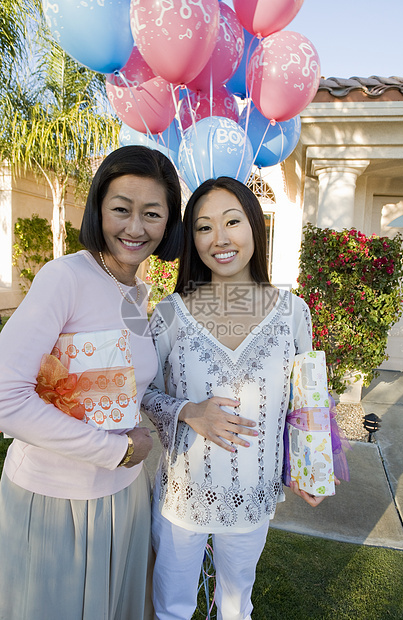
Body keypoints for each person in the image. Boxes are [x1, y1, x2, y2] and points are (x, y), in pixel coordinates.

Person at [0, 145, 183, 620]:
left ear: (169, 223)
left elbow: (124, 391)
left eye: (152, 214)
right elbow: (6, 398)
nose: (135, 227)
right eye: (121, 209)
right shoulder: (66, 277)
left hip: (123, 497)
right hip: (57, 503)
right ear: (99, 207)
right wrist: (115, 451)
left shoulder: (137, 292)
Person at [142, 176, 330, 620]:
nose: (220, 239)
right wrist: (188, 411)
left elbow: (308, 397)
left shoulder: (292, 312)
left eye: (233, 221)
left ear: (255, 227)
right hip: (182, 498)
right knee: (172, 606)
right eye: (204, 227)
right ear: (192, 239)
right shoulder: (172, 312)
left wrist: (313, 469)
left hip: (253, 493)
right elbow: (141, 392)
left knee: (236, 605)